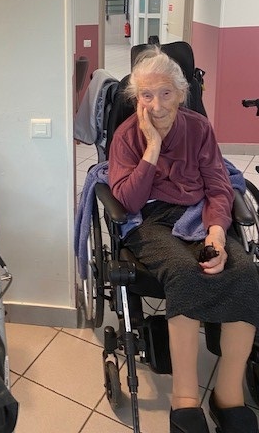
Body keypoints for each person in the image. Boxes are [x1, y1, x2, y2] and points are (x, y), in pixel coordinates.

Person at [108, 48, 259, 433]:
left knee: (245, 272)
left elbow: (219, 187)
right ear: (136, 98)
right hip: (150, 221)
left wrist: (217, 234)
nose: (156, 105)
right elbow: (128, 202)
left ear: (181, 93)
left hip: (198, 214)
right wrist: (152, 148)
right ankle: (185, 399)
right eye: (146, 95)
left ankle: (227, 396)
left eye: (165, 93)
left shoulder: (199, 129)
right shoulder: (126, 136)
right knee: (184, 273)